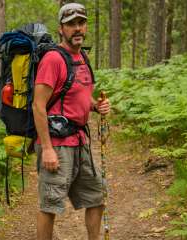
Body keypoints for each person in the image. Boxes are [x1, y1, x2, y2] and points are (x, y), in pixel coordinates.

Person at [32, 2, 111, 240]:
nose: (77, 28)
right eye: (71, 24)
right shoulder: (53, 59)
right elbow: (38, 105)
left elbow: (79, 97)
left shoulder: (83, 57)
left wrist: (96, 106)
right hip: (56, 143)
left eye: (81, 23)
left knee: (96, 198)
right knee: (51, 204)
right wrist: (46, 149)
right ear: (61, 29)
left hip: (80, 141)